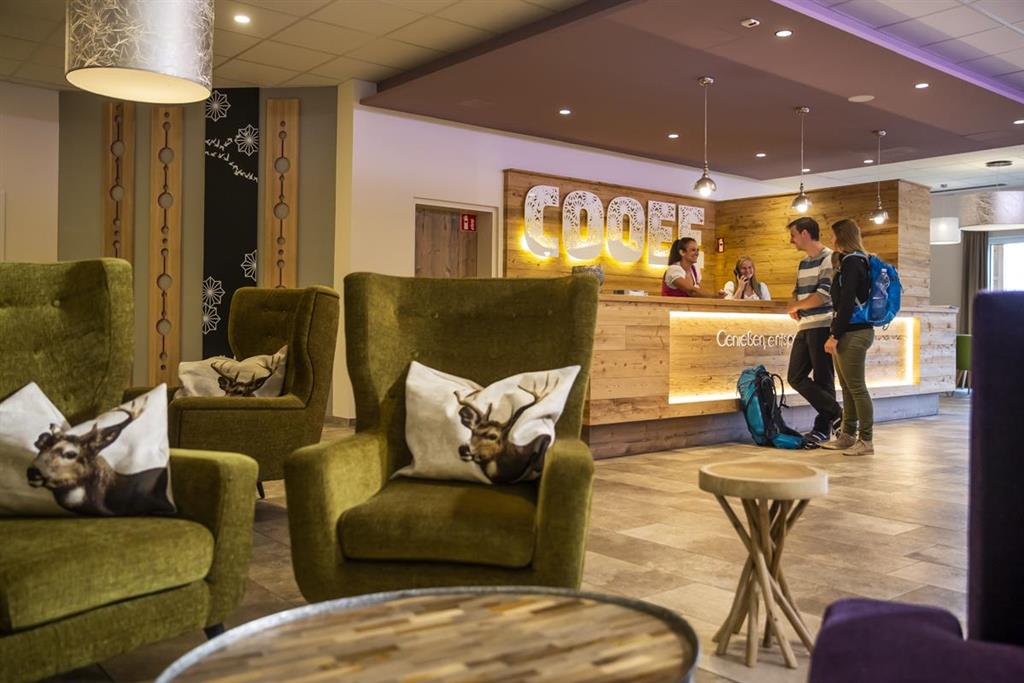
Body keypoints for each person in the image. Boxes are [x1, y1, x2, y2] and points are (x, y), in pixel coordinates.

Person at [820, 219, 875, 456]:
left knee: (857, 388)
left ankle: (866, 440)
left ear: (842, 236)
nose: (831, 240)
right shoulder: (853, 260)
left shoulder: (853, 262)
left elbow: (846, 302)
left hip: (854, 332)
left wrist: (834, 334)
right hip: (851, 331)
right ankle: (847, 435)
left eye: (833, 235)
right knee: (847, 387)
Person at [785, 217, 842, 446]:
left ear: (805, 234)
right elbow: (798, 292)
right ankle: (837, 414)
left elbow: (823, 296)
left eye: (793, 235)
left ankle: (822, 429)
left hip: (823, 326)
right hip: (805, 326)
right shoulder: (803, 263)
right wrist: (796, 305)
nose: (791, 240)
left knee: (823, 380)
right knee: (795, 376)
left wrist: (796, 306)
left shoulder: (829, 258)